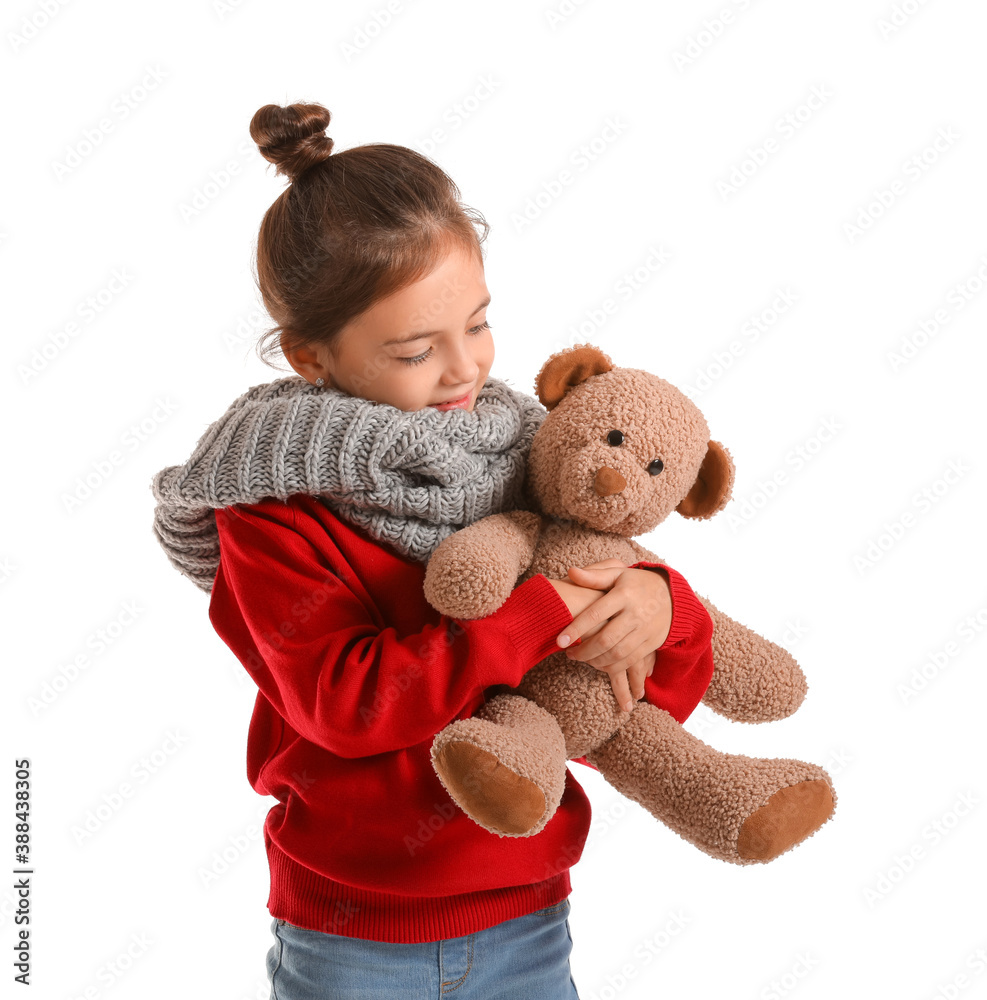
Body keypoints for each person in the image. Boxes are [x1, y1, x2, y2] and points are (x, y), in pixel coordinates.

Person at [150, 102, 715, 1000]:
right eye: (417, 350)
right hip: (350, 935)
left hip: (529, 914)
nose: (466, 370)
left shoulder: (528, 461)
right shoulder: (270, 515)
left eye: (479, 324)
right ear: (311, 358)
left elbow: (630, 701)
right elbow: (348, 703)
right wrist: (535, 615)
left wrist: (661, 607)